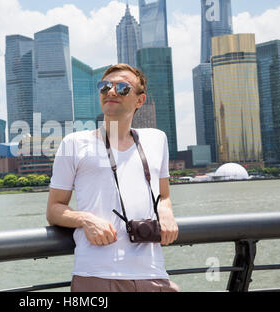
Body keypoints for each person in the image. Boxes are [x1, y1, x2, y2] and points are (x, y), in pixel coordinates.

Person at [46, 63, 180, 292]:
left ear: (140, 100)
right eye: (104, 86)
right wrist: (86, 220)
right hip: (97, 276)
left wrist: (166, 212)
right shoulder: (74, 143)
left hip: (153, 274)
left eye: (123, 88)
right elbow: (54, 209)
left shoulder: (157, 140)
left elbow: (164, 195)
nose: (111, 91)